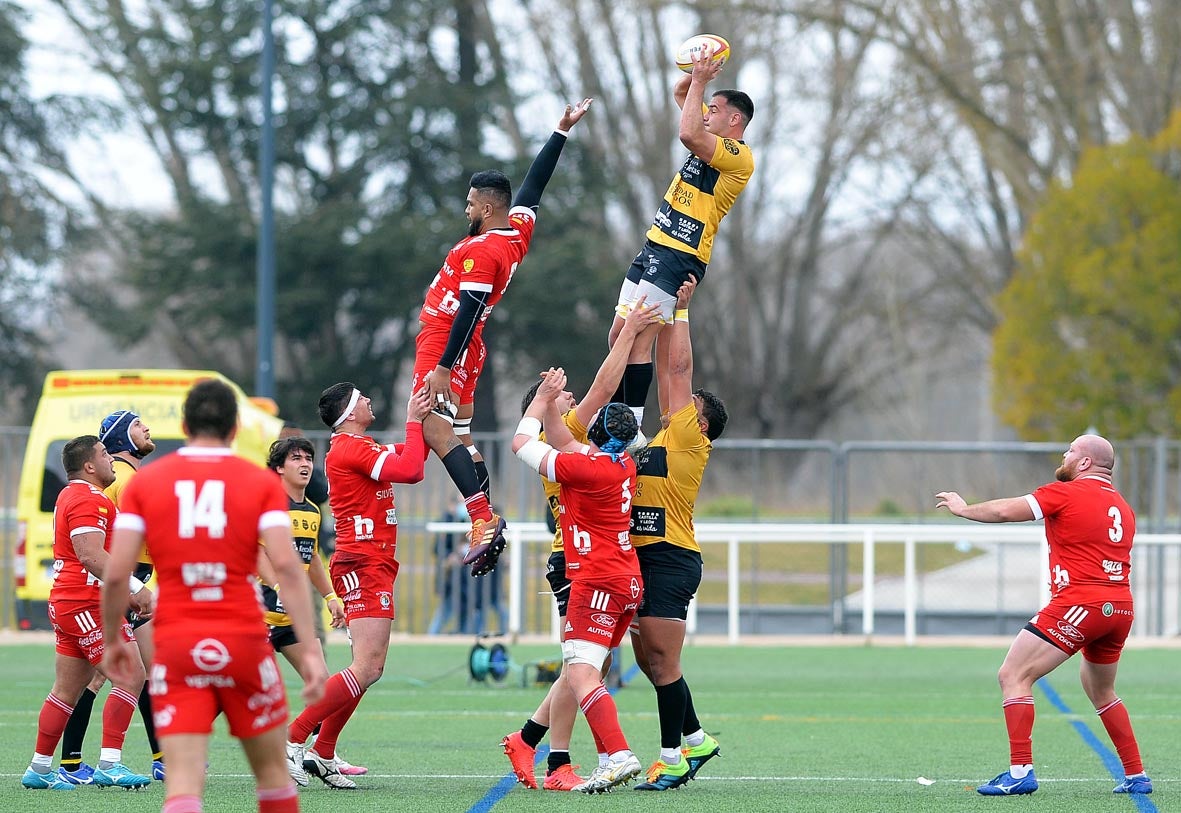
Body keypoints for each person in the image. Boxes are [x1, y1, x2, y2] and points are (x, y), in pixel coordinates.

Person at [100, 379, 327, 813]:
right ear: (235, 425)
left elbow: (115, 576)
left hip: (178, 642)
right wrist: (312, 652)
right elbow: (287, 569)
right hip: (244, 640)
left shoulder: (148, 483)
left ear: (184, 424)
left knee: (183, 785)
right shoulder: (259, 484)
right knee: (274, 780)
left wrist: (113, 639)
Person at [413, 98, 594, 576]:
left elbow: (469, 308)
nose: (466, 208)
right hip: (468, 347)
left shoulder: (485, 251)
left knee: (432, 428)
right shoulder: (514, 230)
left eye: (471, 202)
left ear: (487, 206)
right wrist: (560, 132)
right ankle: (486, 518)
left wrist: (441, 367)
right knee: (462, 437)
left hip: (445, 343)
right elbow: (534, 187)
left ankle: (480, 518)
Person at [936, 434, 1152, 797]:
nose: (1064, 455)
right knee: (1101, 689)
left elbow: (1006, 511)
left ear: (1084, 463)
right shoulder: (1124, 508)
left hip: (1080, 602)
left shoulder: (1065, 492)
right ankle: (1136, 774)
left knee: (1013, 674)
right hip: (1120, 608)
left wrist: (964, 508)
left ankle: (1020, 772)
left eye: (1070, 451)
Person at [501, 299, 660, 791]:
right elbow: (604, 387)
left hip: (593, 562)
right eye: (564, 397)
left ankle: (539, 744)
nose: (573, 399)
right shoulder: (587, 450)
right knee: (583, 666)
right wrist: (631, 332)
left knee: (584, 665)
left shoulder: (573, 446)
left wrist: (633, 334)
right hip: (583, 563)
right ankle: (559, 760)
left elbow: (565, 428)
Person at [283, 382, 433, 789]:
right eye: (362, 397)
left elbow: (411, 454)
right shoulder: (350, 448)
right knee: (366, 666)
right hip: (362, 561)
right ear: (350, 412)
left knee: (369, 668)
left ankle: (323, 752)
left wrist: (434, 424)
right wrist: (414, 420)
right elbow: (412, 471)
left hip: (373, 561)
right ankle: (294, 739)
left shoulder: (360, 446)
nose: (369, 400)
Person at [607, 48, 754, 439]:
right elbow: (681, 91)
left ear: (734, 119)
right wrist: (698, 67)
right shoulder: (709, 131)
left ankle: (628, 429)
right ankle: (617, 418)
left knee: (638, 339)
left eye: (715, 109)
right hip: (656, 244)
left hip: (680, 254)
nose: (707, 112)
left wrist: (703, 81)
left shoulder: (739, 156)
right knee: (618, 334)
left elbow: (688, 131)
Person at [625, 278, 726, 790]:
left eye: (692, 409)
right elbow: (669, 373)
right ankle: (698, 739)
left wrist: (681, 312)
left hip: (669, 557)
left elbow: (679, 370)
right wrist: (660, 319)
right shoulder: (670, 432)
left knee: (663, 660)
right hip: (642, 557)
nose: (681, 407)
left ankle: (672, 757)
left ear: (702, 426)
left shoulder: (690, 440)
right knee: (647, 659)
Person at [20, 435, 155, 791]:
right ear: (89, 466)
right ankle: (110, 765)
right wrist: (135, 588)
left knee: (67, 691)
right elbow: (91, 555)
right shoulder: (86, 498)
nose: (112, 460)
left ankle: (40, 768)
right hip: (85, 603)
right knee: (131, 675)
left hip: (71, 601)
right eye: (105, 454)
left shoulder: (74, 495)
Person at [57, 410, 165, 785]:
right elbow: (121, 538)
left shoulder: (125, 478)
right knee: (117, 675)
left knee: (137, 671)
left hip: (131, 575)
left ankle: (157, 756)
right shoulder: (125, 481)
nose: (147, 428)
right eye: (138, 425)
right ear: (120, 439)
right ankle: (88, 763)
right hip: (126, 576)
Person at [256, 436, 369, 779]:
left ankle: (320, 755)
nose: (305, 464)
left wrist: (331, 597)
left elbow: (313, 559)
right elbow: (254, 552)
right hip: (258, 614)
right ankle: (178, 749)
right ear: (279, 468)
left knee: (321, 684)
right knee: (236, 690)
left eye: (308, 458)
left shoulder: (313, 510)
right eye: (295, 458)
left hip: (292, 616)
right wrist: (276, 586)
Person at [428, 499, 474, 635]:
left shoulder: (464, 521)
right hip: (450, 577)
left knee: (464, 609)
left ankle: (462, 634)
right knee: (446, 609)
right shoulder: (446, 522)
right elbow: (438, 548)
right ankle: (432, 635)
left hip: (463, 577)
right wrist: (450, 556)